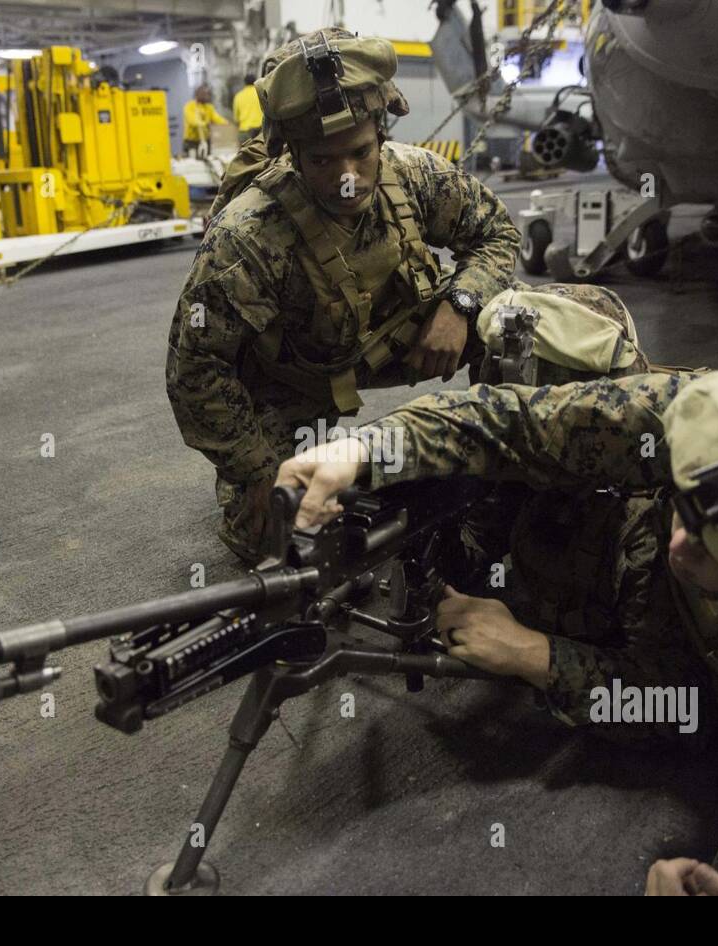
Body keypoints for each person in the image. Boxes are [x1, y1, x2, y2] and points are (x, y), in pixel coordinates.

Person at [275, 285, 718, 895]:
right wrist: (368, 448)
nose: (683, 543)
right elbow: (521, 425)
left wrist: (539, 657)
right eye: (687, 503)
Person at [166, 28, 519, 563]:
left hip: (400, 337)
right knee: (284, 540)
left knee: (521, 322)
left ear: (381, 135)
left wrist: (461, 306)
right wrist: (259, 473)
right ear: (294, 156)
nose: (348, 179)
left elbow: (496, 232)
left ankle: (513, 466)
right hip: (298, 375)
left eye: (360, 153)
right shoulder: (247, 235)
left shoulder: (414, 173)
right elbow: (194, 369)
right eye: (324, 162)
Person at [182, 84, 229, 157]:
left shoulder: (209, 107)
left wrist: (225, 123)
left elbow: (216, 118)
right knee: (192, 164)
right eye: (204, 94)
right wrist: (204, 123)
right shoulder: (190, 106)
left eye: (207, 94)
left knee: (207, 162)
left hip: (205, 140)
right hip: (191, 141)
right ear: (197, 95)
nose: (206, 96)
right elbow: (192, 121)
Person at [233, 72, 264, 145]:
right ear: (255, 81)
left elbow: (236, 118)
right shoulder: (260, 93)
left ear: (244, 82)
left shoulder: (238, 96)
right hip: (260, 131)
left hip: (245, 132)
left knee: (245, 155)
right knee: (261, 154)